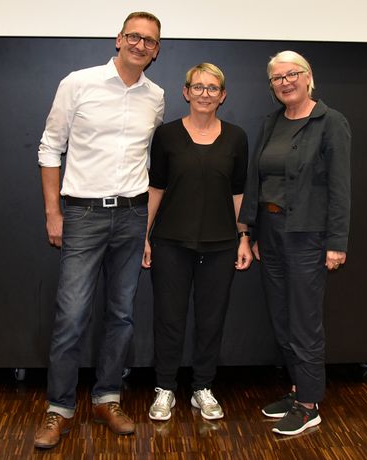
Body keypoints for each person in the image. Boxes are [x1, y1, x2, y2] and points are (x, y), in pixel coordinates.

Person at [33, 11, 165, 449]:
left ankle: (107, 398)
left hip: (131, 217)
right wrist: (54, 213)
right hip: (83, 217)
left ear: (156, 49)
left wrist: (145, 227)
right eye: (133, 36)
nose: (140, 45)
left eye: (149, 40)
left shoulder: (156, 97)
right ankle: (59, 408)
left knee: (121, 316)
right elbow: (50, 148)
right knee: (71, 316)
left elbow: (149, 165)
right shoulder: (78, 83)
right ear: (118, 39)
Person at [239, 50, 351, 436]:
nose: (285, 82)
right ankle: (296, 389)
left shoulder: (330, 122)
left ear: (308, 78)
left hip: (307, 236)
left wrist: (337, 242)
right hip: (269, 233)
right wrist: (249, 231)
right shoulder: (271, 123)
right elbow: (256, 181)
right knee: (282, 317)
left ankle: (309, 404)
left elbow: (340, 187)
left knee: (304, 321)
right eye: (277, 78)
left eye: (292, 75)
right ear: (271, 86)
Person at [142, 63, 252, 422]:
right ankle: (165, 389)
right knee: (169, 319)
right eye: (198, 87)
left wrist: (243, 237)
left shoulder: (236, 138)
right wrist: (144, 236)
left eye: (213, 88)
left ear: (222, 96)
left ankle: (203, 387)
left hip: (220, 245)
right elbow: (155, 187)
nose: (205, 94)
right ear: (186, 92)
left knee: (211, 319)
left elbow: (238, 193)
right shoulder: (167, 136)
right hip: (170, 243)